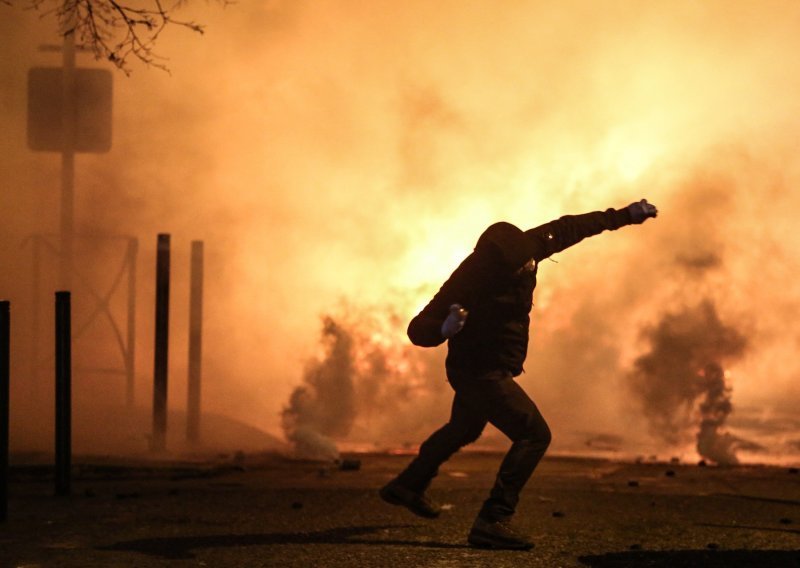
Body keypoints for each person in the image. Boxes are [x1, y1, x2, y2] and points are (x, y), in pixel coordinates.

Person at [379, 199, 658, 550]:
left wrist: (624, 216)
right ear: (497, 269)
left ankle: (408, 485)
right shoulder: (470, 278)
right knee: (534, 435)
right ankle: (493, 520)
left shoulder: (532, 245)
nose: (529, 268)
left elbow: (573, 227)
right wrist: (444, 329)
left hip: (488, 367)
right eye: (520, 268)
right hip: (478, 372)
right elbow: (418, 329)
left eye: (531, 263)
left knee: (463, 428)